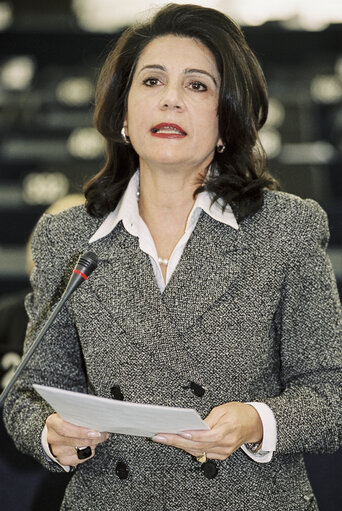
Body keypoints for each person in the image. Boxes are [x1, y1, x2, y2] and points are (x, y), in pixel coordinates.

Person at [3, 4, 341, 510]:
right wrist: (50, 434)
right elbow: (28, 391)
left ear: (227, 120)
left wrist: (255, 422)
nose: (171, 101)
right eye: (152, 82)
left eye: (197, 86)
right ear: (123, 112)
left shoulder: (286, 229)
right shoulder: (66, 236)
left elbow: (330, 396)